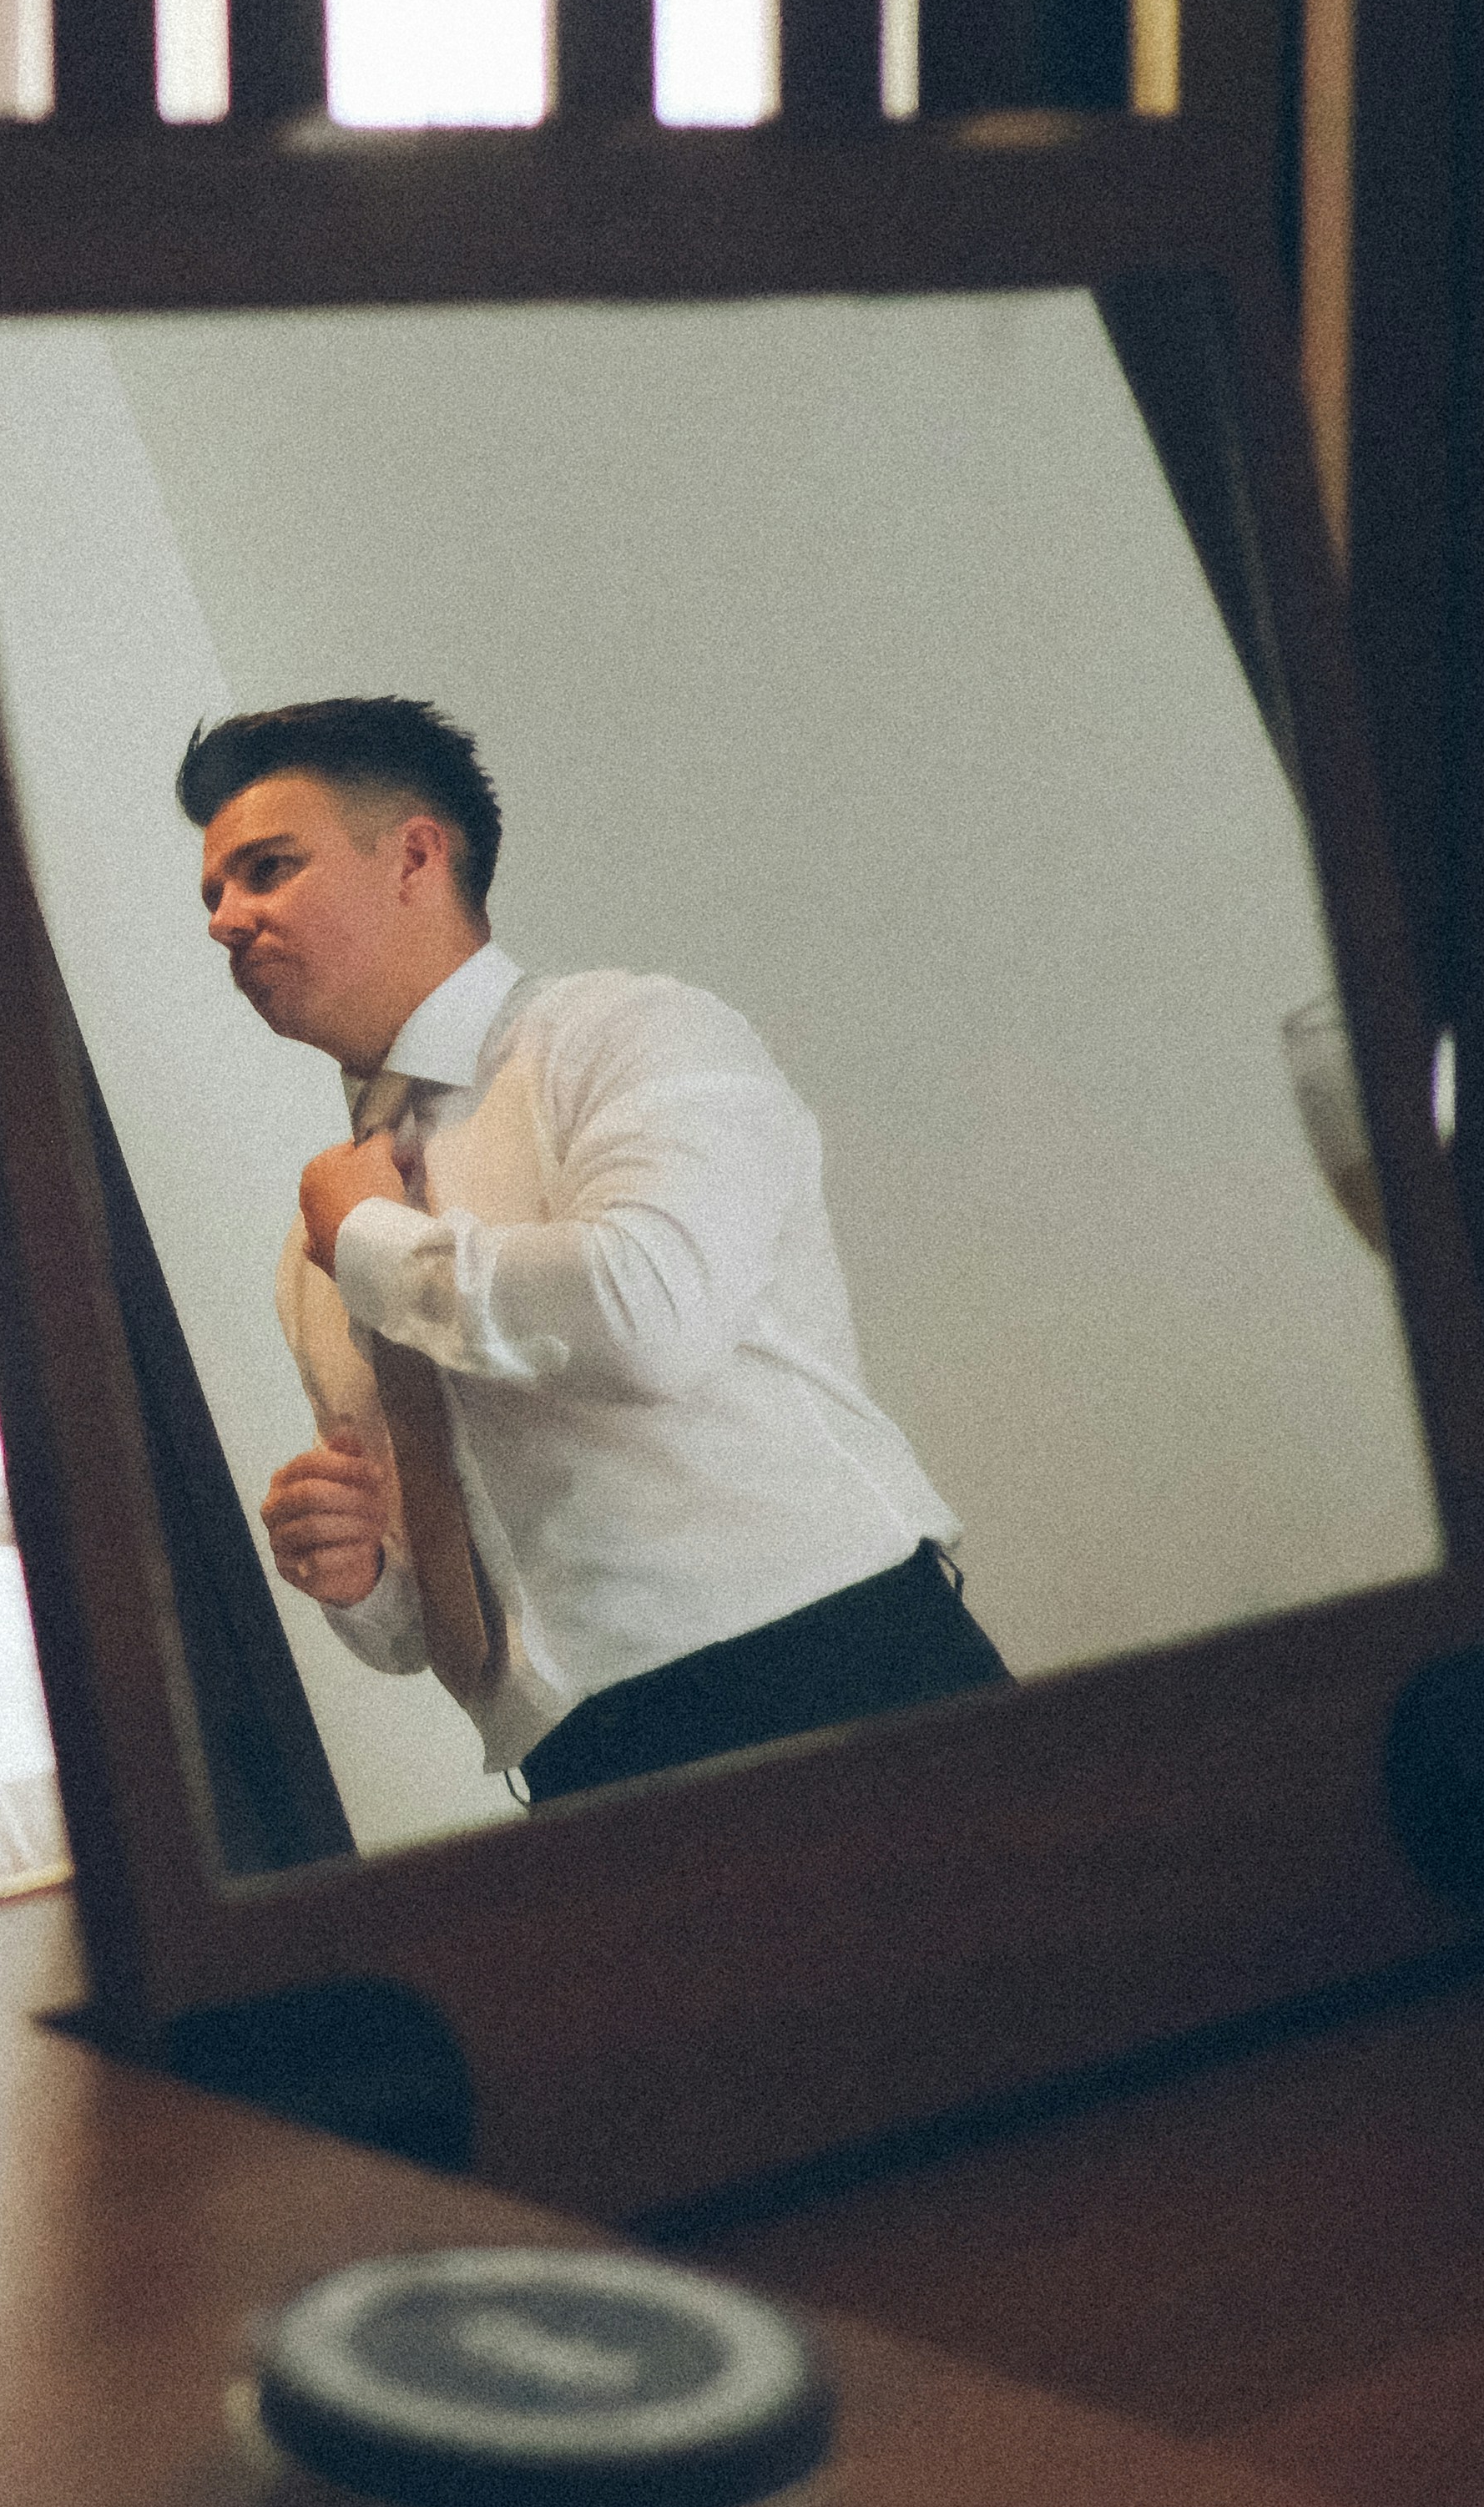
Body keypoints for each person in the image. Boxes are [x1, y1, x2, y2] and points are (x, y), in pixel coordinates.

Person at [186, 696, 1005, 1805]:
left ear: (416, 855)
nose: (225, 919)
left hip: (832, 1677)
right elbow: (443, 1601)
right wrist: (364, 1577)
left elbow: (647, 1316)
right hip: (581, 1770)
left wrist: (375, 1245)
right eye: (213, 894)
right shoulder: (319, 1239)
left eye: (267, 868)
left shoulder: (627, 1037)